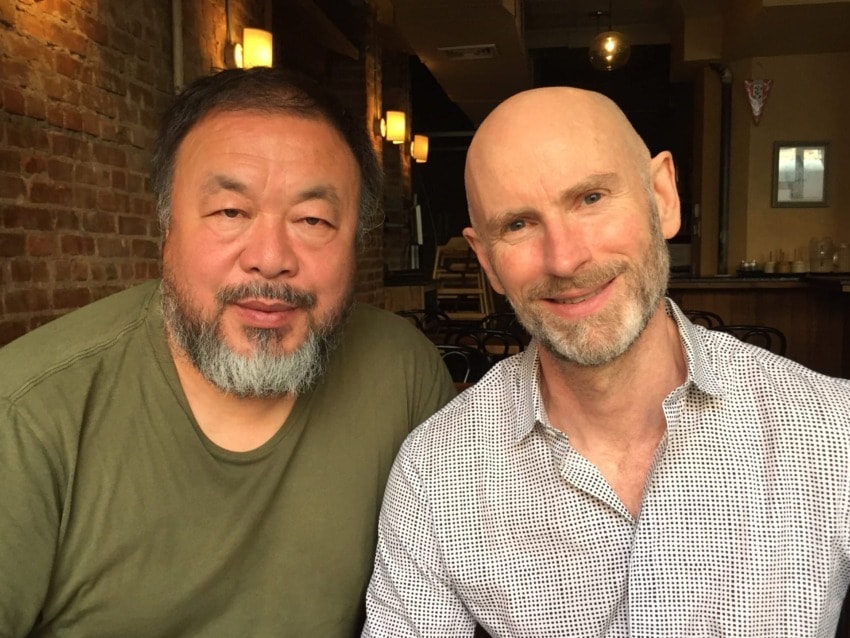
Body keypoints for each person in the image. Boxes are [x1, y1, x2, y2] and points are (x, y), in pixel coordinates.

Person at [362, 87, 850, 637]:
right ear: (487, 263)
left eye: (591, 198)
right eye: (518, 225)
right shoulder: (436, 471)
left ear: (662, 195)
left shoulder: (831, 430)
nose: (565, 258)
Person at [0, 67, 455, 636]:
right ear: (166, 228)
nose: (269, 257)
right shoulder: (24, 415)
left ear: (355, 243)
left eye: (313, 219)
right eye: (230, 212)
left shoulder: (403, 373)